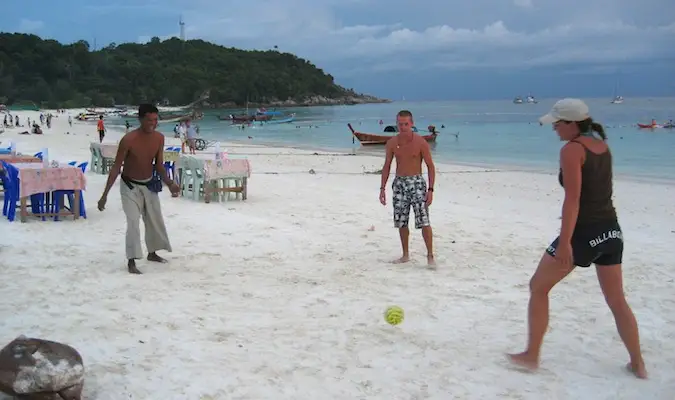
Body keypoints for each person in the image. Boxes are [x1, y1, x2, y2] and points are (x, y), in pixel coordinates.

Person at [507, 99, 647, 379]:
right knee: (617, 300)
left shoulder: (572, 150)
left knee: (538, 287)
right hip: (611, 231)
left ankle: (531, 355)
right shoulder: (602, 146)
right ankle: (638, 364)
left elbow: (573, 200)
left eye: (557, 124)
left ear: (572, 123)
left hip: (584, 233)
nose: (555, 129)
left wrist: (566, 242)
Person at [97, 104, 181, 275]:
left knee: (154, 219)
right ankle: (132, 260)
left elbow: (158, 165)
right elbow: (116, 168)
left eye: (156, 120)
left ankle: (152, 253)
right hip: (130, 186)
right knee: (133, 222)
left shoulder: (159, 138)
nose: (153, 123)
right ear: (140, 119)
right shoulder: (129, 140)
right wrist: (104, 195)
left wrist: (170, 183)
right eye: (149, 120)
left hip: (149, 184)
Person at [379, 110, 436, 266]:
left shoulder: (420, 142)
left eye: (406, 124)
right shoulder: (391, 143)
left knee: (424, 220)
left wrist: (431, 190)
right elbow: (386, 166)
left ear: (412, 124)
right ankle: (405, 255)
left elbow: (430, 166)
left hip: (416, 183)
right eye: (400, 124)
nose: (402, 127)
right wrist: (382, 189)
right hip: (399, 183)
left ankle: (430, 256)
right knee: (401, 221)